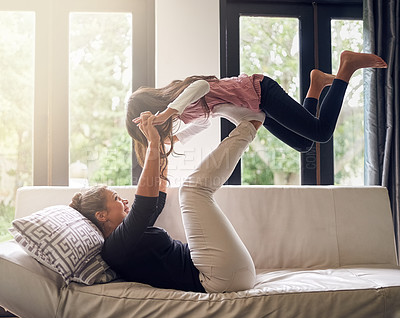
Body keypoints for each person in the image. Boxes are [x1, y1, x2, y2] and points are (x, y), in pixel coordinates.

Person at [70, 113, 263, 293]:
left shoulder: (129, 237)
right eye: (116, 198)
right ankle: (249, 125)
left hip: (225, 272)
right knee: (192, 190)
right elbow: (144, 205)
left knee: (191, 190)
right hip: (217, 277)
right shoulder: (115, 248)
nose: (124, 200)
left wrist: (160, 143)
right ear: (101, 215)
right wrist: (153, 142)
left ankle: (249, 125)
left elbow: (158, 195)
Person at [127, 51, 387, 179]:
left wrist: (171, 110)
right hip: (258, 107)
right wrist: (178, 139)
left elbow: (202, 86)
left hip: (261, 91)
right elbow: (204, 123)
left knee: (321, 132)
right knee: (304, 143)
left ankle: (347, 66)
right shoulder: (182, 113)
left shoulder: (179, 97)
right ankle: (316, 84)